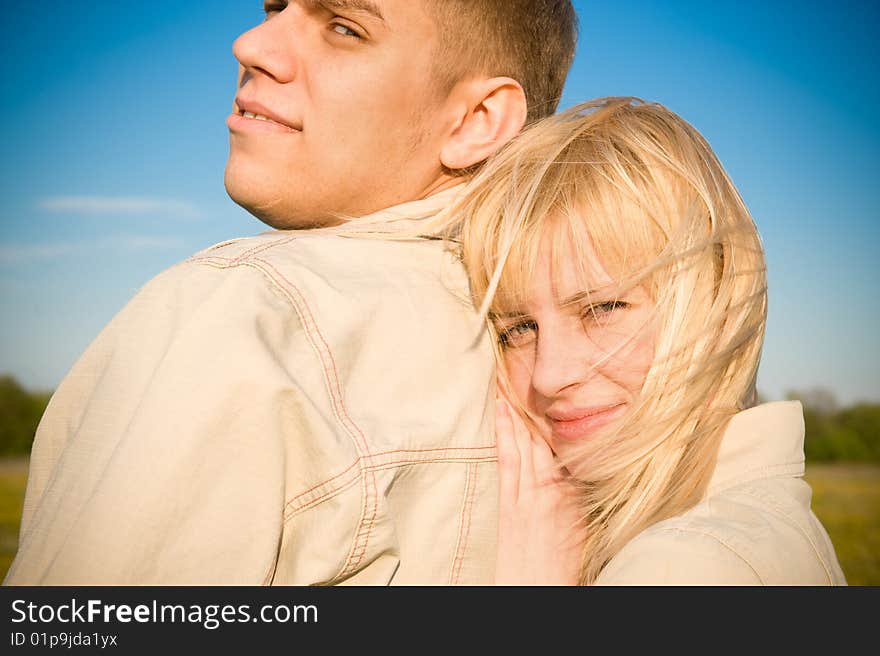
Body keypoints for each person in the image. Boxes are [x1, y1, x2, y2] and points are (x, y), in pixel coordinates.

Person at [4, 1, 578, 585]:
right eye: (275, 7)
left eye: (343, 27)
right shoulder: (603, 364)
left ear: (478, 119)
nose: (250, 45)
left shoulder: (245, 313)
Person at [454, 97, 846, 585]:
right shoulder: (740, 529)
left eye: (602, 309)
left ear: (715, 296)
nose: (550, 375)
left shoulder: (687, 565)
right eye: (518, 329)